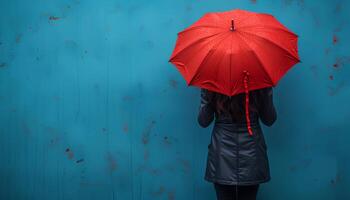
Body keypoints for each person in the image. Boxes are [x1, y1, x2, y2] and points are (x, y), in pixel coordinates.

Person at [198, 87, 277, 200]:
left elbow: (203, 121)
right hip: (252, 152)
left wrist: (207, 91)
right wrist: (266, 90)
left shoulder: (213, 83)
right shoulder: (259, 83)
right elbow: (269, 119)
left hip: (222, 154)